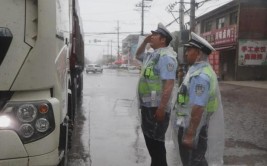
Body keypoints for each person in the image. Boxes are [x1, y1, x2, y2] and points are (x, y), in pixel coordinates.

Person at [175, 32, 224, 166]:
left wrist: (190, 134)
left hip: (192, 127)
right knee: (197, 160)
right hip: (197, 126)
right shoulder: (201, 70)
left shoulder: (200, 76)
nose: (186, 53)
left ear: (198, 53)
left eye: (189, 50)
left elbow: (198, 108)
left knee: (192, 161)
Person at [135, 23, 178, 166]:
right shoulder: (153, 55)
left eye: (155, 35)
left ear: (163, 40)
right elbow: (138, 55)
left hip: (156, 108)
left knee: (156, 146)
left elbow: (169, 84)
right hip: (148, 106)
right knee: (152, 145)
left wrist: (161, 108)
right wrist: (145, 41)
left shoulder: (166, 57)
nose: (151, 36)